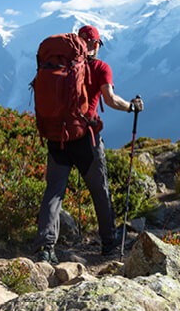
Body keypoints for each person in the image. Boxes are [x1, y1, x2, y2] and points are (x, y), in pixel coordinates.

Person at [36, 25, 144, 261]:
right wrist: (132, 106)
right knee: (99, 190)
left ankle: (45, 248)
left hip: (57, 137)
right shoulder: (100, 67)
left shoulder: (59, 64)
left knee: (54, 192)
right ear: (95, 44)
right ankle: (109, 244)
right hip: (86, 139)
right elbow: (110, 99)